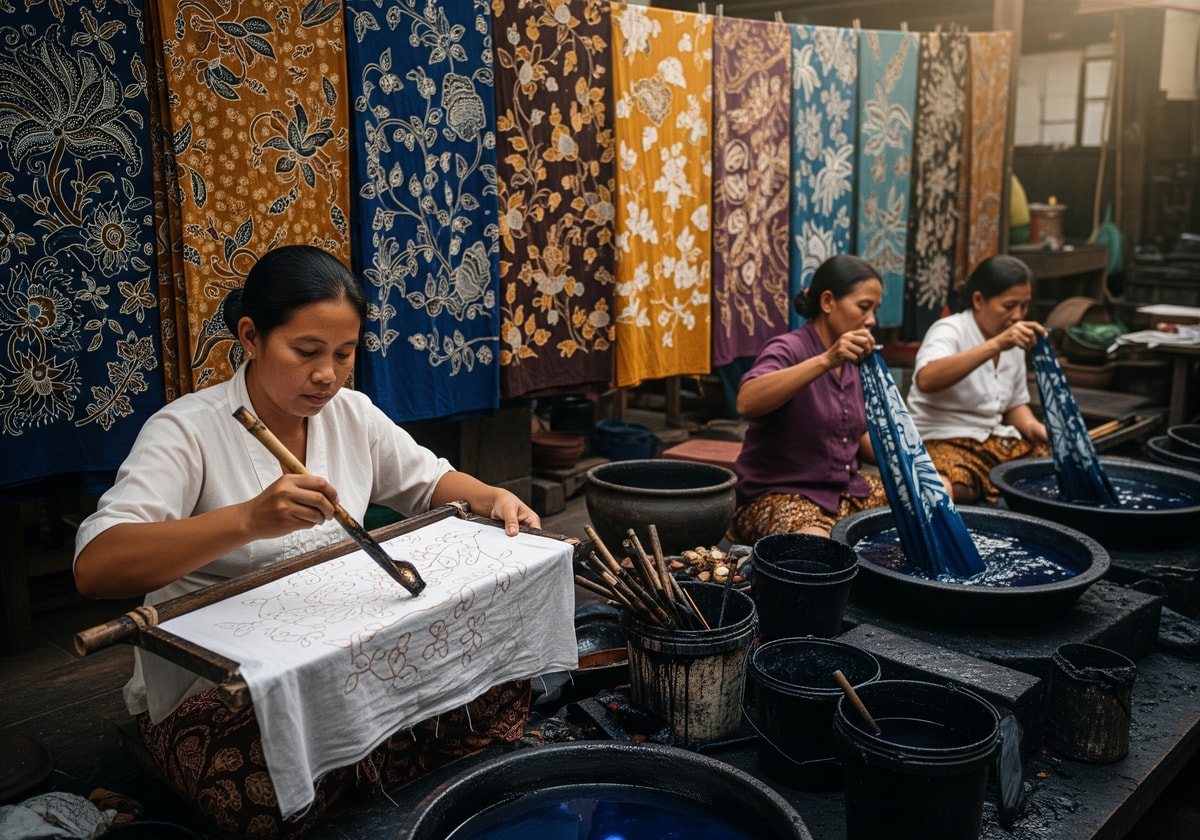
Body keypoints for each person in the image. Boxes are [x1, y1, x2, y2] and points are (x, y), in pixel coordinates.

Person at [73, 244, 541, 837]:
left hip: (343, 651)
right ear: (251, 336)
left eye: (344, 354)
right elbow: (96, 567)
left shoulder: (352, 414)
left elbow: (430, 481)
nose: (328, 374)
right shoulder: (187, 429)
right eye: (306, 352)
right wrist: (247, 519)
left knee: (494, 683)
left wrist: (490, 496)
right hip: (223, 684)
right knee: (267, 791)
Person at [732, 254, 889, 541]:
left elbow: (856, 433)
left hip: (842, 492)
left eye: (875, 310)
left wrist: (905, 459)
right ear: (828, 302)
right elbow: (746, 401)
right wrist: (827, 359)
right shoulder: (789, 348)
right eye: (864, 307)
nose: (871, 320)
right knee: (817, 547)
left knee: (926, 501)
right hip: (777, 496)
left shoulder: (853, 360)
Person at [906, 254, 1049, 505]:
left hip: (990, 441)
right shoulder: (950, 329)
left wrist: (1036, 428)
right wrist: (996, 344)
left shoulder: (1013, 342)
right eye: (1009, 306)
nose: (1017, 315)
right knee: (953, 482)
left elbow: (1014, 404)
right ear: (979, 300)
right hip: (940, 439)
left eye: (1024, 306)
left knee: (1049, 464)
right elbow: (926, 379)